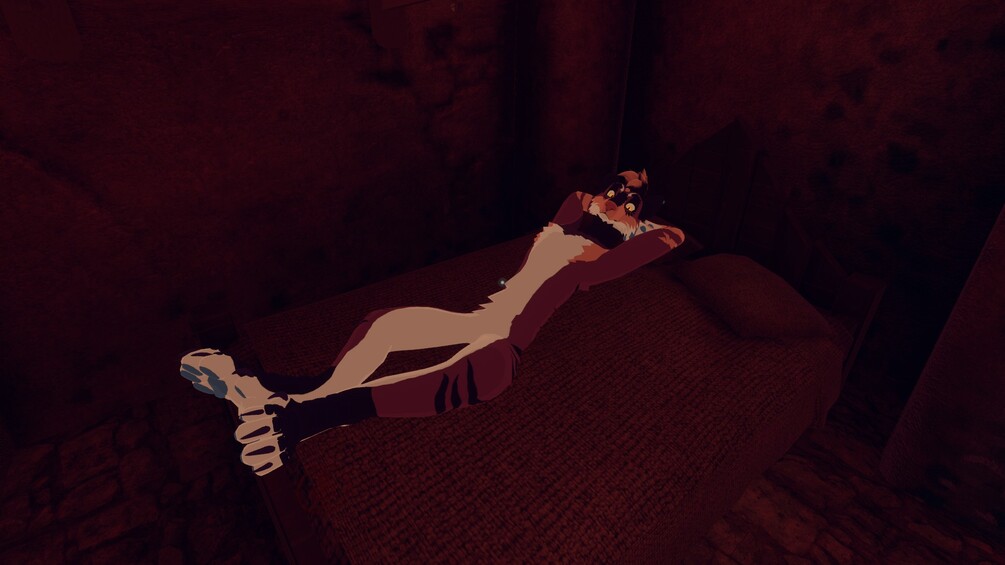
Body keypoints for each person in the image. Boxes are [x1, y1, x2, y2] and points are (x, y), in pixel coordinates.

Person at [179, 169, 685, 476]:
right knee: (384, 324)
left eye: (629, 205)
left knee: (480, 369)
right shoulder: (566, 221)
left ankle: (292, 416)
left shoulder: (598, 263)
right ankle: (273, 392)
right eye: (613, 190)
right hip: (477, 318)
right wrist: (620, 195)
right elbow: (577, 198)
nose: (613, 201)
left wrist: (639, 220)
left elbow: (672, 237)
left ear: (637, 223)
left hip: (502, 346)